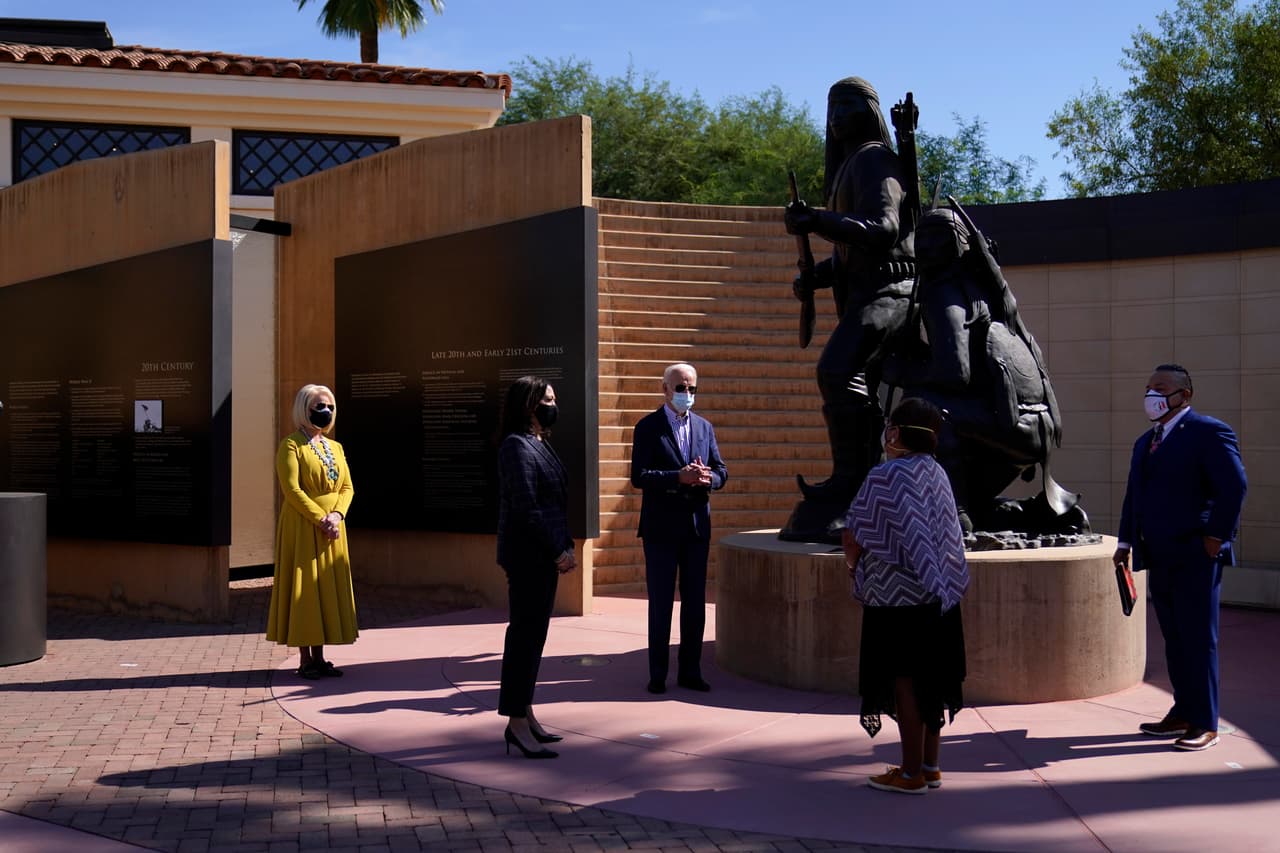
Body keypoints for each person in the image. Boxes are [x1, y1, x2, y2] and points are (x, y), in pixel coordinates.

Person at [783, 77, 916, 507]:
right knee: (842, 375)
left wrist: (817, 221)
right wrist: (817, 277)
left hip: (892, 291)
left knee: (837, 371)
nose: (837, 117)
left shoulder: (874, 161)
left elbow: (884, 231)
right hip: (865, 292)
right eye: (832, 108)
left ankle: (853, 481)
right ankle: (859, 479)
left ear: (870, 112)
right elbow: (848, 256)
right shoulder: (849, 166)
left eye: (848, 106)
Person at [1115, 364, 1247, 751]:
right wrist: (1124, 542)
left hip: (1196, 553)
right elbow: (1133, 496)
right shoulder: (1146, 441)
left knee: (1198, 638)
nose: (1151, 396)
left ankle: (1205, 721)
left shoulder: (1209, 432)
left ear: (1184, 395)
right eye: (1148, 388)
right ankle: (1183, 710)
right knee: (1174, 638)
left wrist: (1216, 537)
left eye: (1161, 388)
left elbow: (1234, 486)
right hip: (1159, 553)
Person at [842, 397, 969, 794]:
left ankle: (910, 773)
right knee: (932, 680)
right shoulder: (936, 472)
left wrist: (852, 566)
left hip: (895, 601)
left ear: (895, 432)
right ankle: (930, 766)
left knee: (905, 683)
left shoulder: (886, 475)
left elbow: (854, 534)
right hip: (940, 594)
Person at [630, 363, 728, 694]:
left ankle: (690, 671)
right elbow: (639, 476)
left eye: (692, 388)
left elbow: (722, 471)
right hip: (660, 529)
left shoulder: (704, 427)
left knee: (695, 602)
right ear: (665, 389)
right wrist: (677, 477)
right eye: (681, 388)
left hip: (696, 527)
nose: (687, 394)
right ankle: (658, 674)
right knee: (661, 602)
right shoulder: (647, 427)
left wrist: (708, 478)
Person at [496, 376, 576, 759]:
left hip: (545, 554)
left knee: (535, 639)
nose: (553, 405)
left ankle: (525, 712)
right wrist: (556, 551)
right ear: (529, 404)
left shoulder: (539, 443)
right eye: (547, 399)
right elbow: (527, 508)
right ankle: (514, 723)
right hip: (529, 557)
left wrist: (566, 545)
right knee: (523, 639)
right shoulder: (516, 446)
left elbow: (555, 502)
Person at [266, 384, 357, 679]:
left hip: (332, 528)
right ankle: (305, 659)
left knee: (325, 589)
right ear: (304, 409)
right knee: (305, 590)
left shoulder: (336, 447)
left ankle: (320, 657)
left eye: (329, 405)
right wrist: (321, 518)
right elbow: (292, 490)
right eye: (318, 406)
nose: (325, 411)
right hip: (304, 527)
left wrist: (338, 514)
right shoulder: (291, 445)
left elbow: (347, 487)